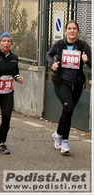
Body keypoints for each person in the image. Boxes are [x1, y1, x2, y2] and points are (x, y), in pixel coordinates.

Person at [46, 20, 91, 154]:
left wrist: (86, 61)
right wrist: (52, 63)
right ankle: (64, 141)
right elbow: (49, 55)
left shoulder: (83, 46)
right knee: (68, 107)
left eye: (74, 29)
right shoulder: (59, 44)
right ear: (65, 31)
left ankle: (57, 134)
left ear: (77, 31)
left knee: (68, 111)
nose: (72, 31)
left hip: (76, 83)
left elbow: (91, 64)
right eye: (69, 28)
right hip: (61, 83)